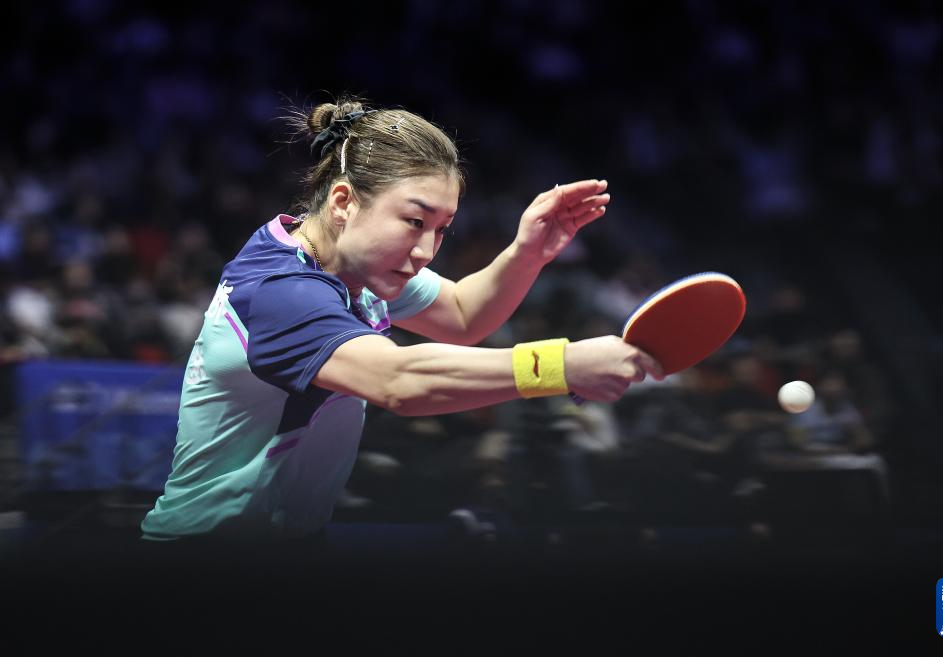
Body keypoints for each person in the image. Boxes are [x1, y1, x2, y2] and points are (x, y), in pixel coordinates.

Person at [139, 96, 664, 544]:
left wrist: (528, 253)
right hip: (201, 562)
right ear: (343, 202)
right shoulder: (282, 292)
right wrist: (560, 366)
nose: (426, 251)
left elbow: (463, 315)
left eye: (442, 228)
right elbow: (399, 382)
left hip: (286, 551)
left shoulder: (352, 265)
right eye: (414, 221)